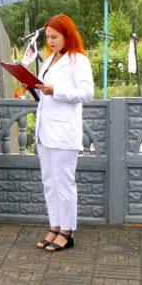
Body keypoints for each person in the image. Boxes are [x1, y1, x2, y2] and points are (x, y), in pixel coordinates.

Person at [32, 14, 94, 252]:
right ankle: (55, 225)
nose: (51, 41)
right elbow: (45, 91)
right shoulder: (50, 59)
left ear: (67, 35)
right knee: (49, 182)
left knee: (64, 183)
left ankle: (67, 231)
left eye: (55, 37)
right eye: (48, 37)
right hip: (45, 129)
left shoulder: (77, 60)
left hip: (63, 131)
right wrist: (35, 88)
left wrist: (55, 90)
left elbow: (87, 93)